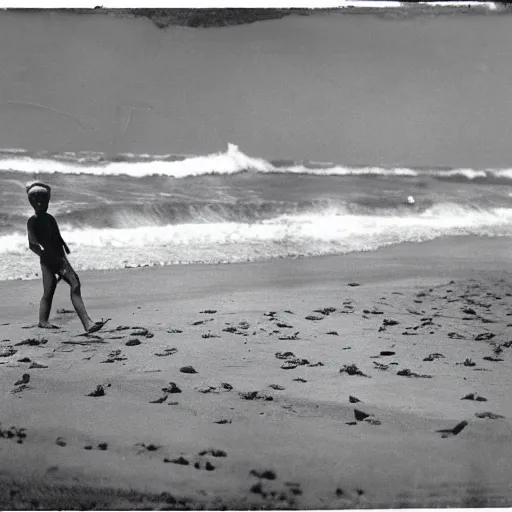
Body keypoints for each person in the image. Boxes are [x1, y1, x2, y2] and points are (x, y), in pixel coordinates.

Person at [26, 182, 109, 333]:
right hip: (48, 261)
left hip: (59, 259)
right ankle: (46, 321)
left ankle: (83, 323)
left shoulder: (50, 219)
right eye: (37, 201)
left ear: (48, 202)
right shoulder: (32, 222)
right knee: (58, 288)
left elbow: (57, 237)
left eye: (44, 201)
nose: (41, 204)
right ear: (31, 202)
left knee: (67, 285)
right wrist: (45, 256)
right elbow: (32, 244)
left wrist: (65, 247)